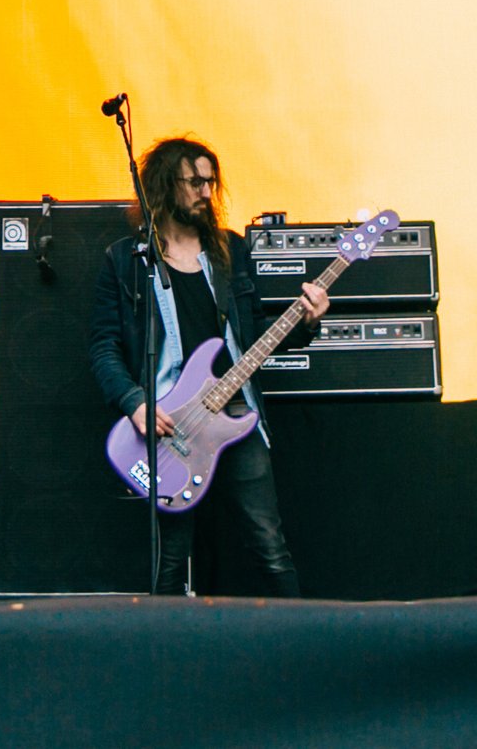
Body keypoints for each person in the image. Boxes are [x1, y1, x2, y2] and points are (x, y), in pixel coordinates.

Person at [89, 137, 329, 597]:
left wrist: (305, 324)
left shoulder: (229, 252)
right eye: (195, 181)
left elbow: (257, 332)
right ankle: (159, 654)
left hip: (233, 416)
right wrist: (135, 402)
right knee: (168, 561)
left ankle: (300, 644)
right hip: (166, 427)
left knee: (270, 546)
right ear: (165, 185)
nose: (206, 192)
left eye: (210, 182)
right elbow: (103, 347)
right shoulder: (126, 261)